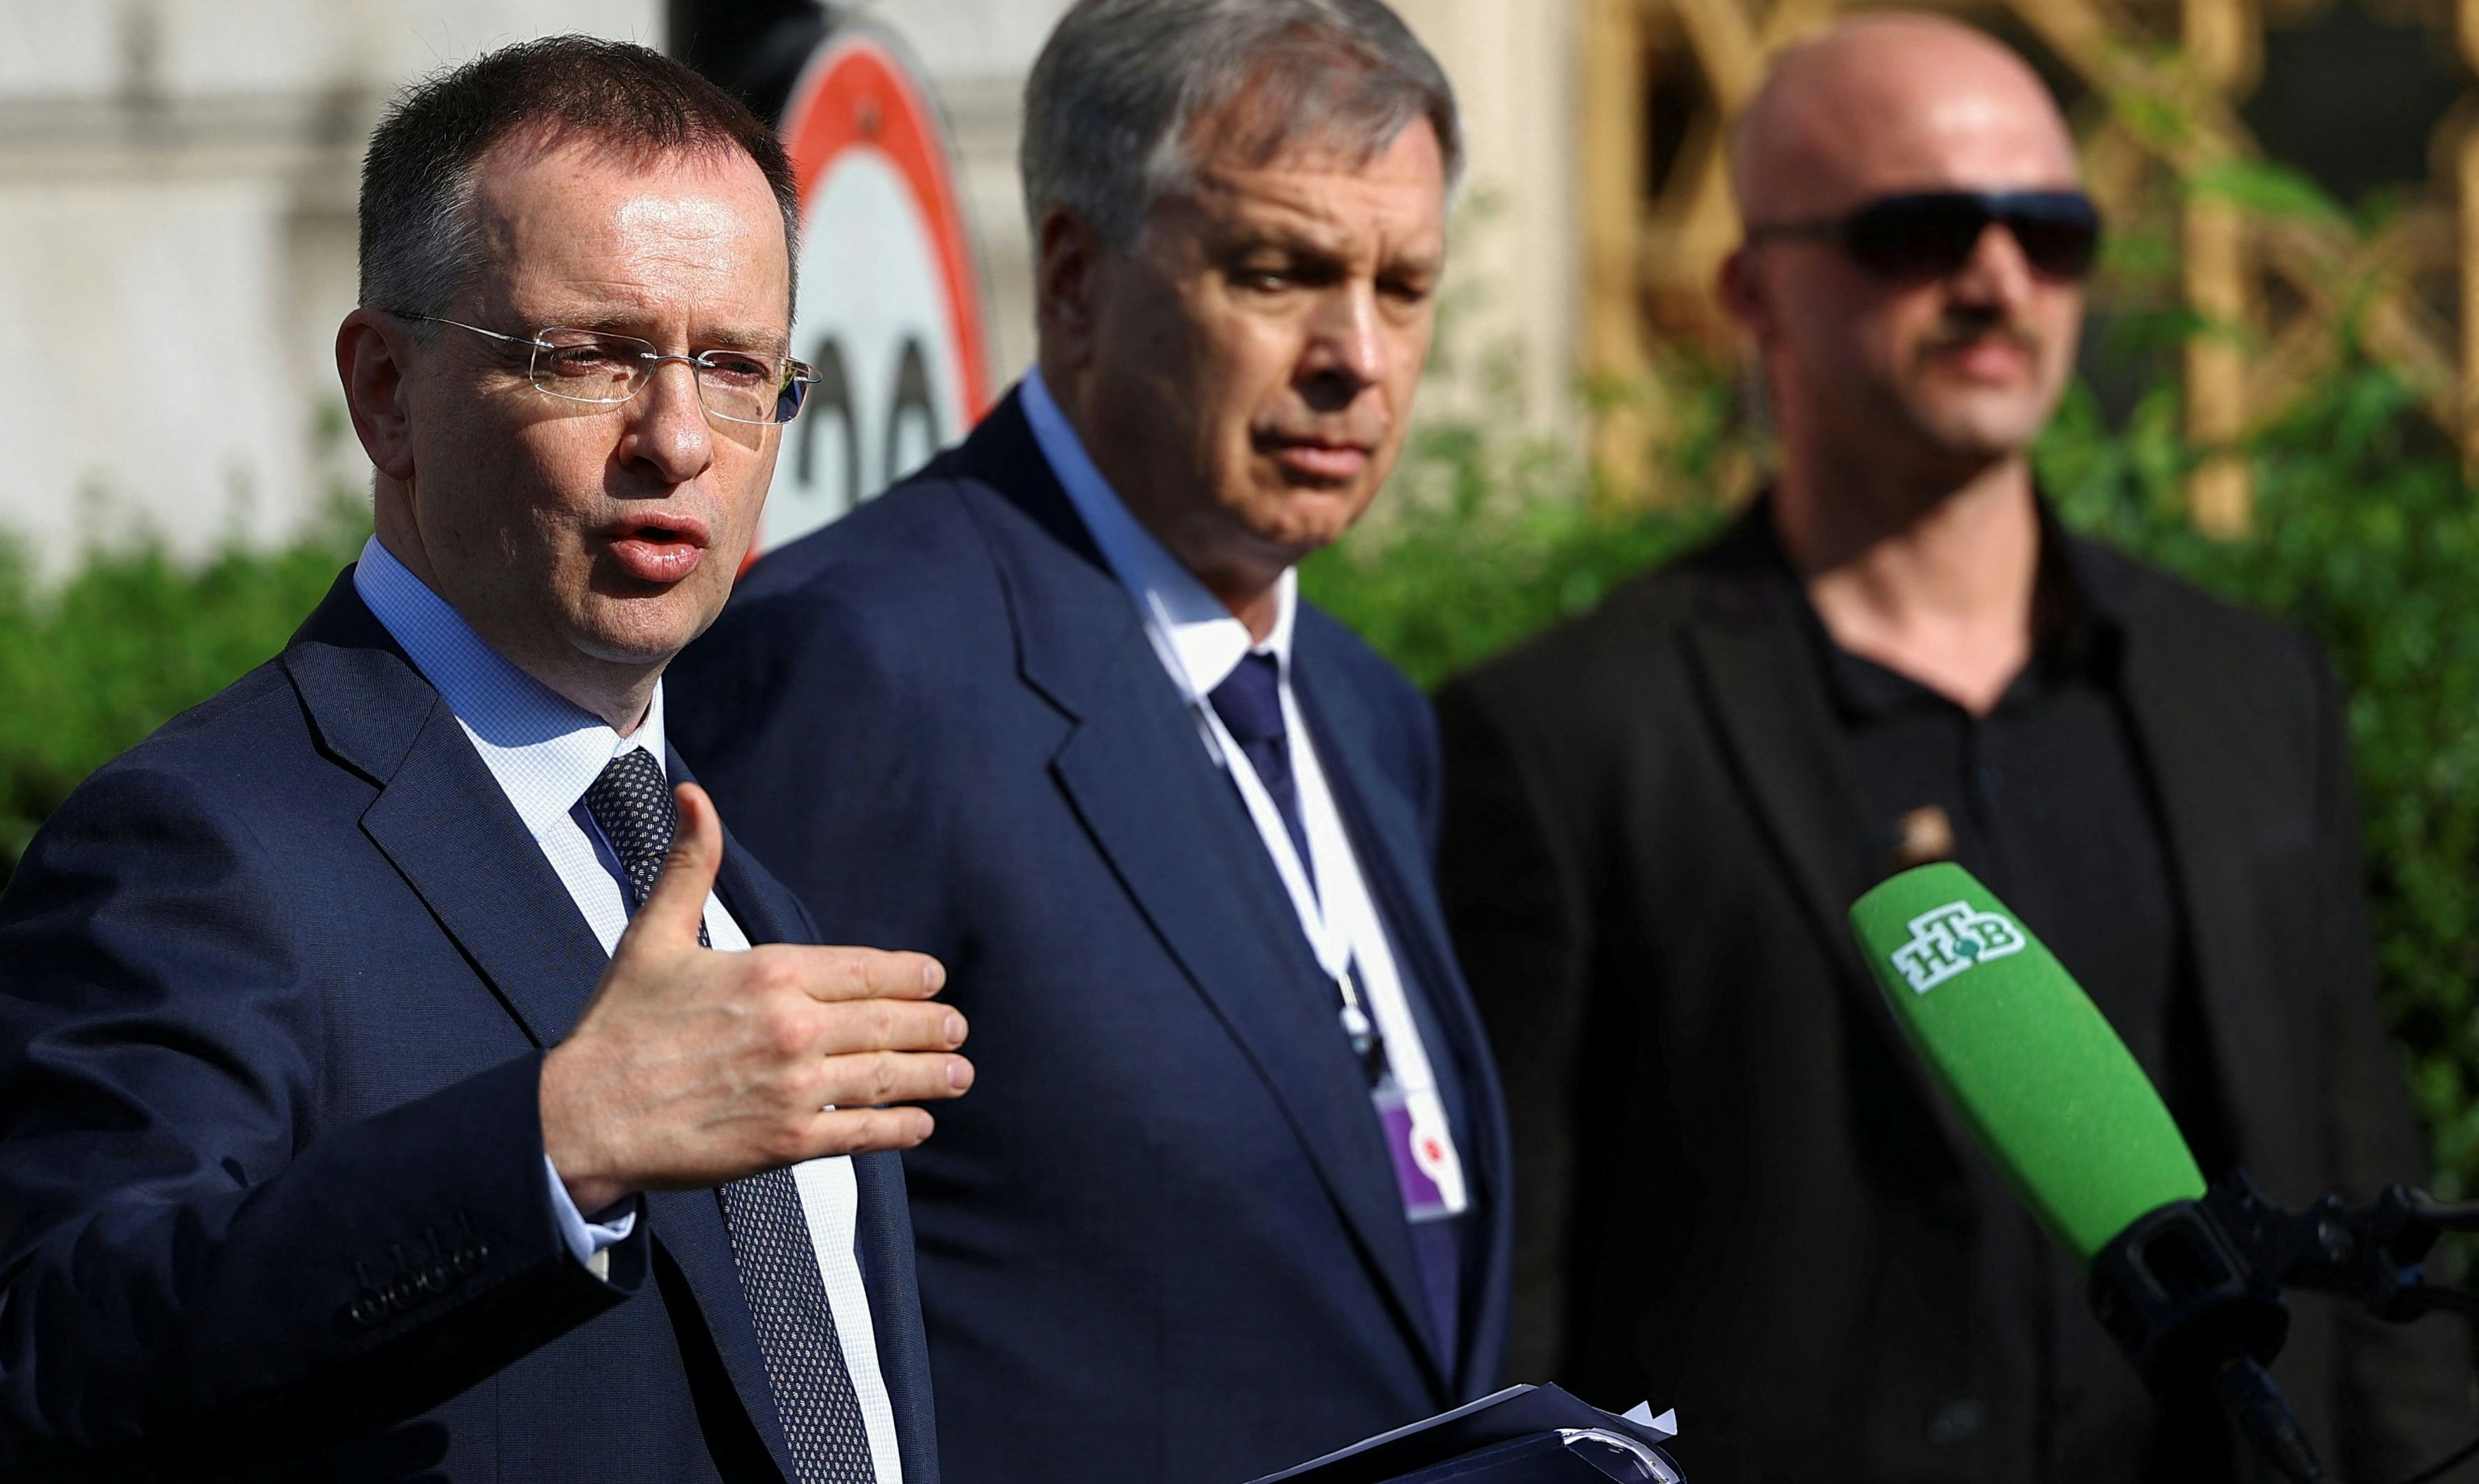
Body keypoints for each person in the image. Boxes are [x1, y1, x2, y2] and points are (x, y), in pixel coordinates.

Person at [1433, 14, 2475, 1482]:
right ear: (1750, 291)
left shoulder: (2249, 689)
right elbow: (1516, 1298)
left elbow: (2358, 1178)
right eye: (1913, 229)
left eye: (2047, 231)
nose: (1993, 278)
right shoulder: (1563, 733)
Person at [0, 38, 969, 1483]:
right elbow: (51, 1373)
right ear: (385, 391)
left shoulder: (744, 889)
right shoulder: (200, 851)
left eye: (736, 368)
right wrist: (558, 1142)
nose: (678, 438)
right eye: (595, 357)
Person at [662, 3, 1509, 1480]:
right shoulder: (861, 665)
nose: (1356, 356)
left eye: (1404, 283)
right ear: (1072, 278)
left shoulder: (1368, 714)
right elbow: (746, 1288)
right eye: (1282, 272)